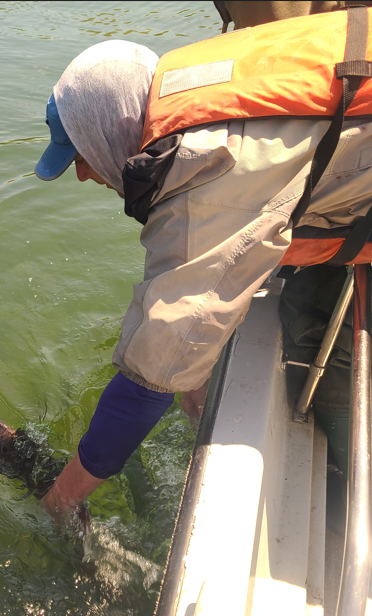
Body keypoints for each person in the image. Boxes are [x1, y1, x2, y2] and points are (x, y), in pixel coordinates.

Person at [34, 18, 372, 521]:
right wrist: (194, 371)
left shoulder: (205, 163)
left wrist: (62, 500)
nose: (83, 173)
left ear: (110, 126)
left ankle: (354, 503)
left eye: (80, 154)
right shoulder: (197, 92)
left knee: (337, 383)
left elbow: (149, 378)